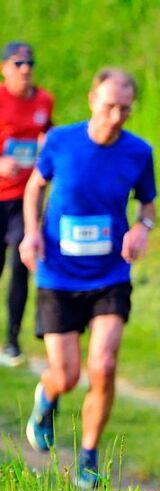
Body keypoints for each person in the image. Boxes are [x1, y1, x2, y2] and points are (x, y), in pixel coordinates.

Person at [20, 67, 157, 488]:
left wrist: (141, 229)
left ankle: (89, 455)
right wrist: (30, 233)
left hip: (110, 275)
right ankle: (47, 399)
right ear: (92, 99)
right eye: (110, 106)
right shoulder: (60, 141)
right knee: (67, 374)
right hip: (59, 274)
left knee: (105, 364)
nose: (116, 116)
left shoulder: (139, 152)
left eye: (125, 109)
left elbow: (148, 207)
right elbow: (34, 186)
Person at [0, 41, 54, 366]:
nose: (26, 69)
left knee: (21, 265)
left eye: (30, 63)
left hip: (24, 197)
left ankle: (11, 343)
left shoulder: (44, 100)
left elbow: (49, 133)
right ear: (4, 68)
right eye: (19, 63)